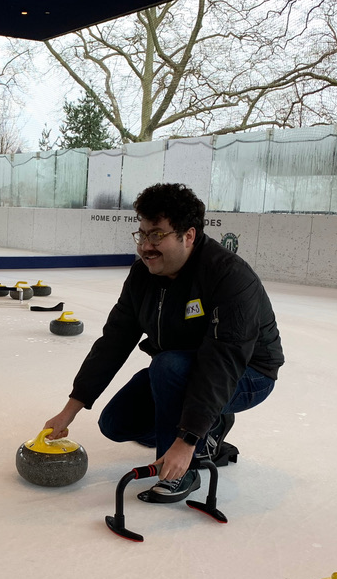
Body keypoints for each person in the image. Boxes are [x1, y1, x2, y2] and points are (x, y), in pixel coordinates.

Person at [42, 183, 284, 503]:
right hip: (181, 369)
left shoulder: (228, 277)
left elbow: (223, 359)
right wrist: (70, 409)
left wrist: (186, 440)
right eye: (142, 234)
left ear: (188, 236)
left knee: (168, 365)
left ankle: (186, 467)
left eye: (157, 234)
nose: (146, 246)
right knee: (116, 423)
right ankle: (210, 428)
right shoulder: (143, 275)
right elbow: (114, 340)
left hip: (248, 372)